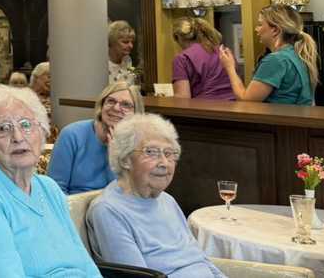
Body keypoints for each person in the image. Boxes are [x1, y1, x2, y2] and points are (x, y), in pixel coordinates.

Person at [0, 85, 101, 278]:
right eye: (3, 128)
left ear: (42, 131)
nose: (18, 137)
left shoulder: (49, 187)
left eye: (26, 125)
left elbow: (84, 261)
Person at [87, 114, 226, 278]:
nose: (164, 163)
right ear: (125, 159)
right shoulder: (108, 210)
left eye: (169, 154)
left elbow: (200, 259)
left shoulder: (167, 201)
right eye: (152, 152)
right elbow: (137, 277)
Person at [49, 81, 143, 195]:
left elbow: (127, 193)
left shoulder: (138, 143)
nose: (116, 108)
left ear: (136, 113)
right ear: (101, 105)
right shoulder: (72, 135)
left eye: (126, 105)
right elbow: (54, 190)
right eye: (111, 101)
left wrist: (115, 156)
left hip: (116, 208)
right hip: (74, 206)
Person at [217, 4, 317, 105]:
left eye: (260, 24)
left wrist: (229, 67)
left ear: (275, 30)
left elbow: (246, 101)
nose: (256, 29)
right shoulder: (295, 54)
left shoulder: (276, 60)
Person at [171, 17, 234, 100]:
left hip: (204, 109)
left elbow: (183, 98)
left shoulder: (182, 58)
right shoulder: (225, 52)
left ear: (177, 37)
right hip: (233, 107)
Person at [29, 62, 59, 142]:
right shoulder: (25, 97)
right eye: (48, 76)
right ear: (36, 77)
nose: (51, 80)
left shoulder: (56, 97)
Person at [108, 21, 137, 85]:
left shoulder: (127, 60)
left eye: (132, 42)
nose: (131, 46)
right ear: (112, 42)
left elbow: (131, 86)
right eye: (125, 42)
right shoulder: (102, 65)